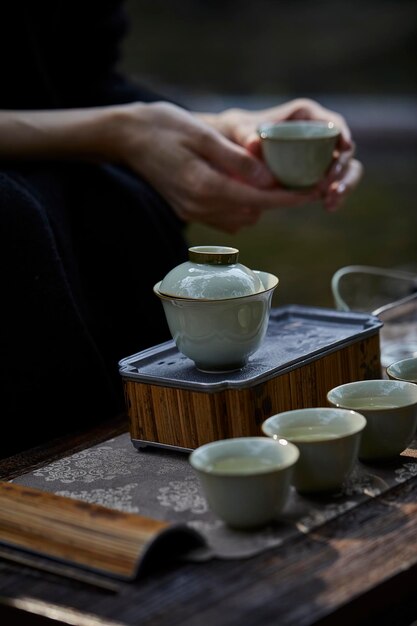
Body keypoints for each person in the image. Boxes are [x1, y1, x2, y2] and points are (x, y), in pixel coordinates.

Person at [0, 1, 363, 458]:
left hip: (72, 183)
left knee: (120, 204)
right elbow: (111, 118)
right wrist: (121, 134)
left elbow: (86, 82)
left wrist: (222, 127)